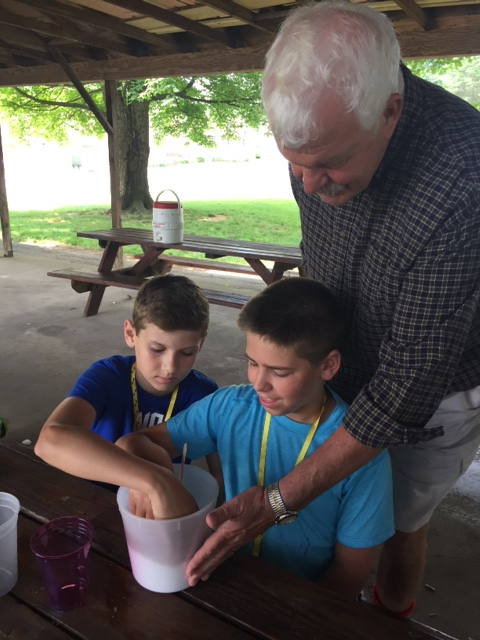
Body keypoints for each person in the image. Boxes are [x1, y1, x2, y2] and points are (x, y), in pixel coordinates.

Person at [183, 0, 480, 616]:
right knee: (330, 506)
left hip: (435, 388)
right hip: (334, 359)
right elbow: (317, 253)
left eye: (328, 164)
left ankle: (390, 615)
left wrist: (275, 502)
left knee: (400, 520)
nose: (308, 184)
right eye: (293, 162)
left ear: (389, 111)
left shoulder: (463, 177)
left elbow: (407, 386)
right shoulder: (316, 144)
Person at [118, 277, 393, 597]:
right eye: (252, 363)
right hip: (221, 578)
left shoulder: (361, 455)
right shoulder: (229, 407)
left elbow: (349, 573)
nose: (258, 383)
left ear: (328, 365)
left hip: (302, 597)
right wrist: (150, 478)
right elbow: (136, 442)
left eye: (279, 371)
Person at [35, 274, 222, 488]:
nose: (170, 367)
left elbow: (222, 472)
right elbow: (49, 441)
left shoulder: (205, 395)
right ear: (130, 334)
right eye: (157, 349)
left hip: (160, 505)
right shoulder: (106, 377)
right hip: (97, 497)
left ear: (201, 343)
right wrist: (154, 482)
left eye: (187, 352)